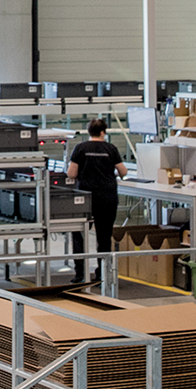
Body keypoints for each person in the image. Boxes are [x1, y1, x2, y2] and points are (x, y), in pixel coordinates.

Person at [65, 119, 126, 280]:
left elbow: (71, 173)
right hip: (107, 198)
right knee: (104, 238)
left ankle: (80, 273)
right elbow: (123, 171)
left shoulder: (80, 148)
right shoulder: (111, 149)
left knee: (79, 234)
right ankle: (102, 276)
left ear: (89, 132)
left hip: (85, 199)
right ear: (103, 132)